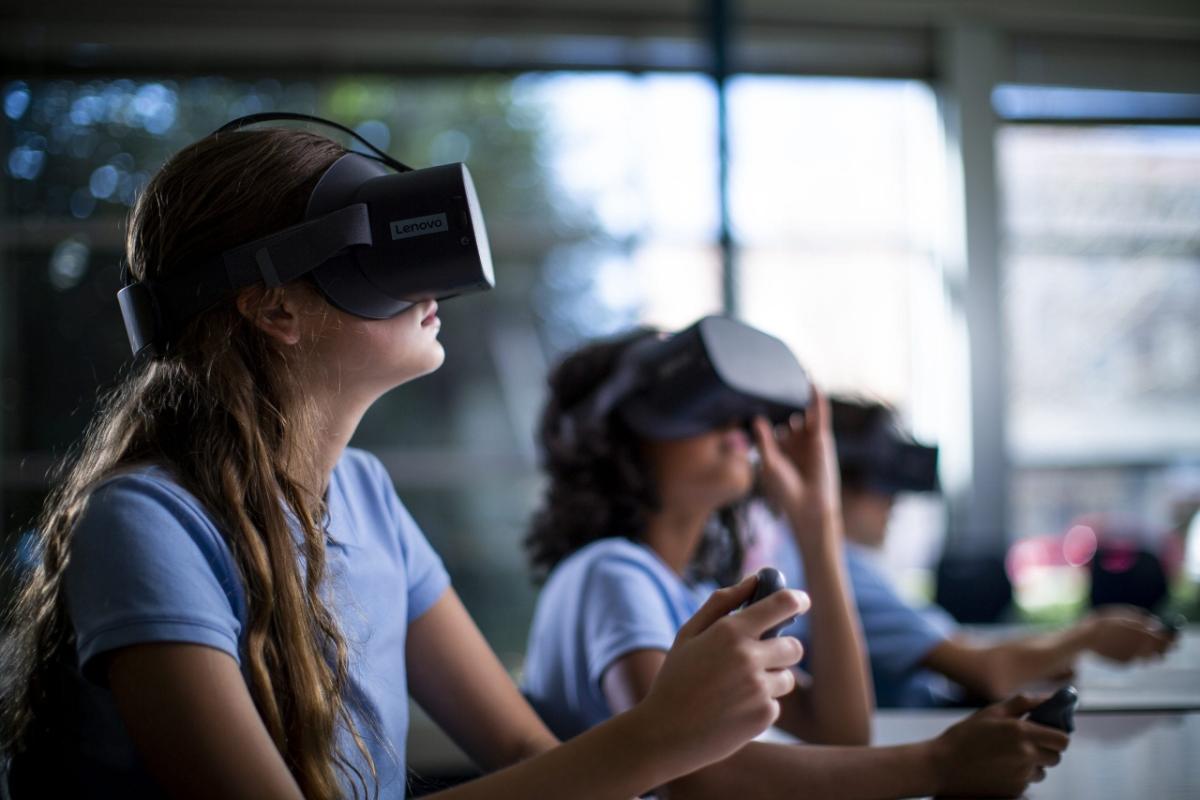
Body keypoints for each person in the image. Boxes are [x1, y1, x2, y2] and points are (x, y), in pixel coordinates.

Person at [0, 124, 808, 800]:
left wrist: (671, 732)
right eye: (376, 247)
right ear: (275, 305)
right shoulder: (145, 522)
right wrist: (655, 738)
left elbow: (524, 750)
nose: (434, 283)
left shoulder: (365, 494)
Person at [522, 328, 1070, 799]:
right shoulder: (610, 572)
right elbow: (689, 776)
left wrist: (816, 523)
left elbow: (840, 731)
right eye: (694, 400)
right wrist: (938, 764)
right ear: (619, 434)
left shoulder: (689, 595)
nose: (733, 418)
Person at [756, 396, 1177, 707]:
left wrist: (1056, 654)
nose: (894, 503)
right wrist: (1089, 635)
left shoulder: (830, 564)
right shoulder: (835, 572)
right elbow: (990, 672)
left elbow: (973, 659)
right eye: (881, 486)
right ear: (835, 479)